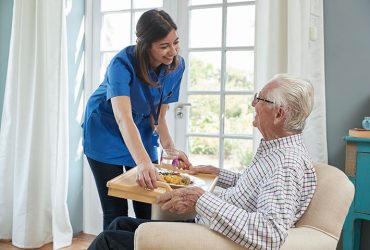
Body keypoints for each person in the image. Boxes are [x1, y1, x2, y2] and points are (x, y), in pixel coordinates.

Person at [87, 73, 317, 250]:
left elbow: (269, 233)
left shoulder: (286, 164)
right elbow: (259, 188)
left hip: (213, 238)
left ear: (279, 114)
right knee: (120, 224)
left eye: (260, 98)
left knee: (108, 240)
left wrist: (201, 199)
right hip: (209, 226)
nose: (252, 104)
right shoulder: (277, 153)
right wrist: (219, 173)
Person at [82, 9, 190, 230]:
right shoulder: (121, 64)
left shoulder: (176, 66)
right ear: (146, 45)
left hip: (139, 127)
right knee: (115, 209)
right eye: (164, 46)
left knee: (147, 202)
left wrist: (170, 149)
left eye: (175, 42)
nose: (172, 51)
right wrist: (143, 162)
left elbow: (158, 114)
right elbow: (123, 118)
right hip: (106, 128)